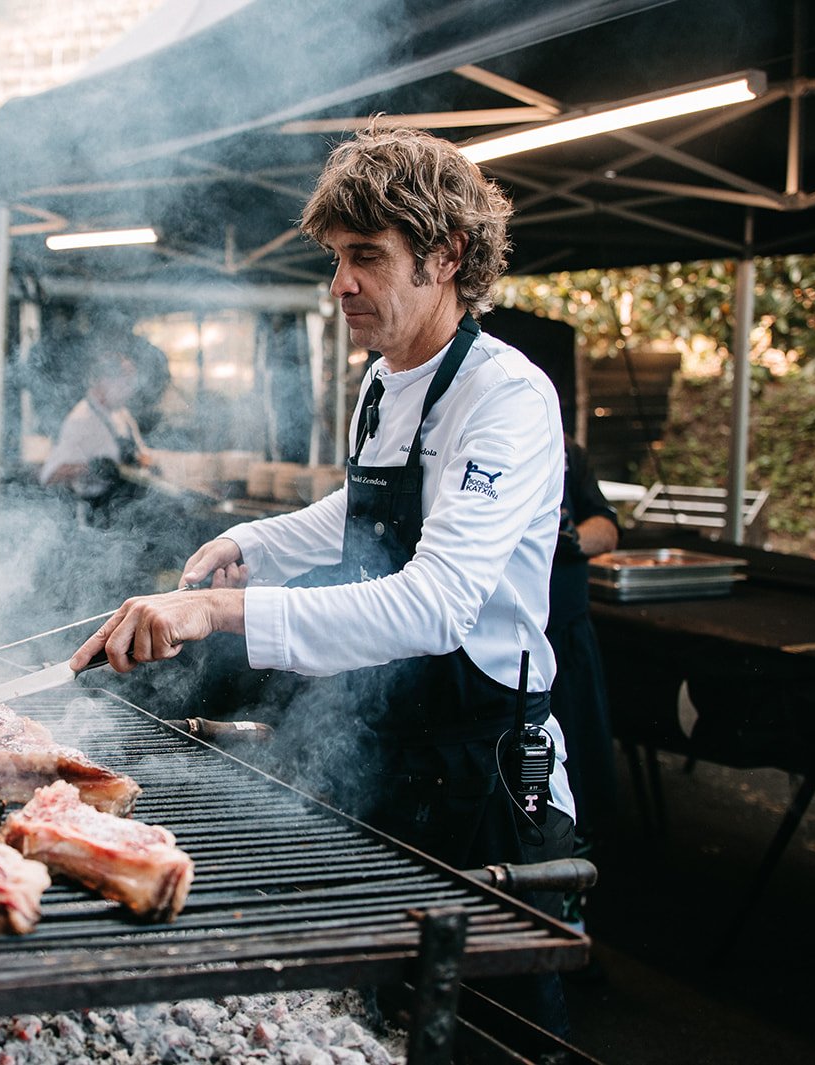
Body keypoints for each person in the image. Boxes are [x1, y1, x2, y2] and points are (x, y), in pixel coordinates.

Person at [69, 128, 575, 1034]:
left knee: (488, 1033)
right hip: (391, 749)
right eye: (337, 258)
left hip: (486, 772)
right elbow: (360, 513)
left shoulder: (507, 399)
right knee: (371, 1021)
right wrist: (252, 543)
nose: (339, 284)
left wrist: (220, 608)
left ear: (446, 255)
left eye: (366, 259)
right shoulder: (384, 381)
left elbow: (435, 602)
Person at [548, 441, 620, 932]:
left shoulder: (566, 452)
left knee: (574, 781)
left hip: (566, 642)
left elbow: (606, 528)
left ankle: (568, 918)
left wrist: (567, 538)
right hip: (501, 649)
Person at [38, 345, 154, 526]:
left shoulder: (122, 415)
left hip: (128, 514)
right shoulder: (81, 420)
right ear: (104, 381)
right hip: (99, 520)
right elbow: (49, 476)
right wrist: (92, 467)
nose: (131, 389)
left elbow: (143, 456)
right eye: (125, 382)